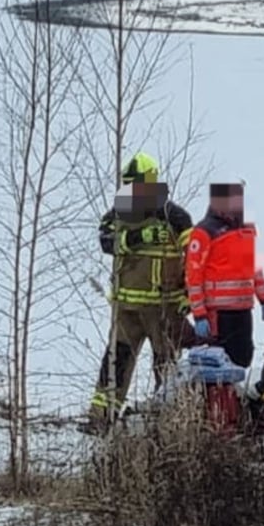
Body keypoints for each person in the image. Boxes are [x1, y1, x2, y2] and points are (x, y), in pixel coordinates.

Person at [87, 152, 194, 430]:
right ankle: (101, 416)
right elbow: (107, 242)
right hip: (126, 308)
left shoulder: (175, 216)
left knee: (166, 364)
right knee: (117, 359)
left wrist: (189, 296)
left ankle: (168, 418)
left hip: (164, 307)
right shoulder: (118, 213)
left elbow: (195, 257)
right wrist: (138, 237)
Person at [185, 183, 264, 368]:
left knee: (244, 358)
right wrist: (199, 314)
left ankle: (237, 396)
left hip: (243, 308)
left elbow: (256, 267)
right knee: (219, 362)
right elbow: (194, 275)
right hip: (218, 312)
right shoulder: (204, 231)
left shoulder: (247, 229)